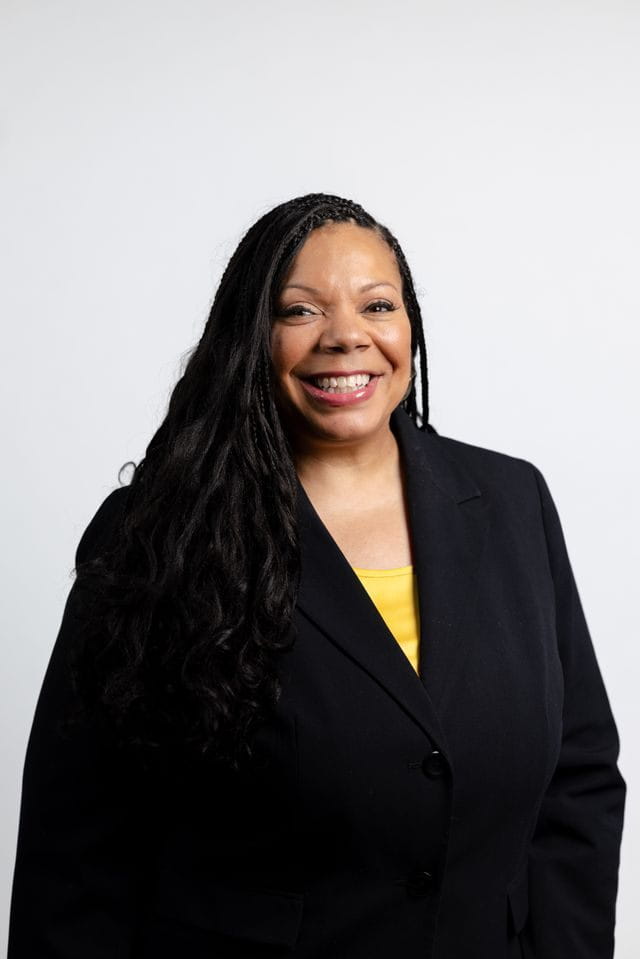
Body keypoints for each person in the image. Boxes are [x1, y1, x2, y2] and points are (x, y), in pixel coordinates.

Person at [8, 193, 625, 959]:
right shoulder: (153, 532)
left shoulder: (511, 501)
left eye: (377, 304)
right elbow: (76, 850)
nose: (347, 336)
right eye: (301, 311)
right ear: (251, 337)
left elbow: (580, 777)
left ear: (410, 327)